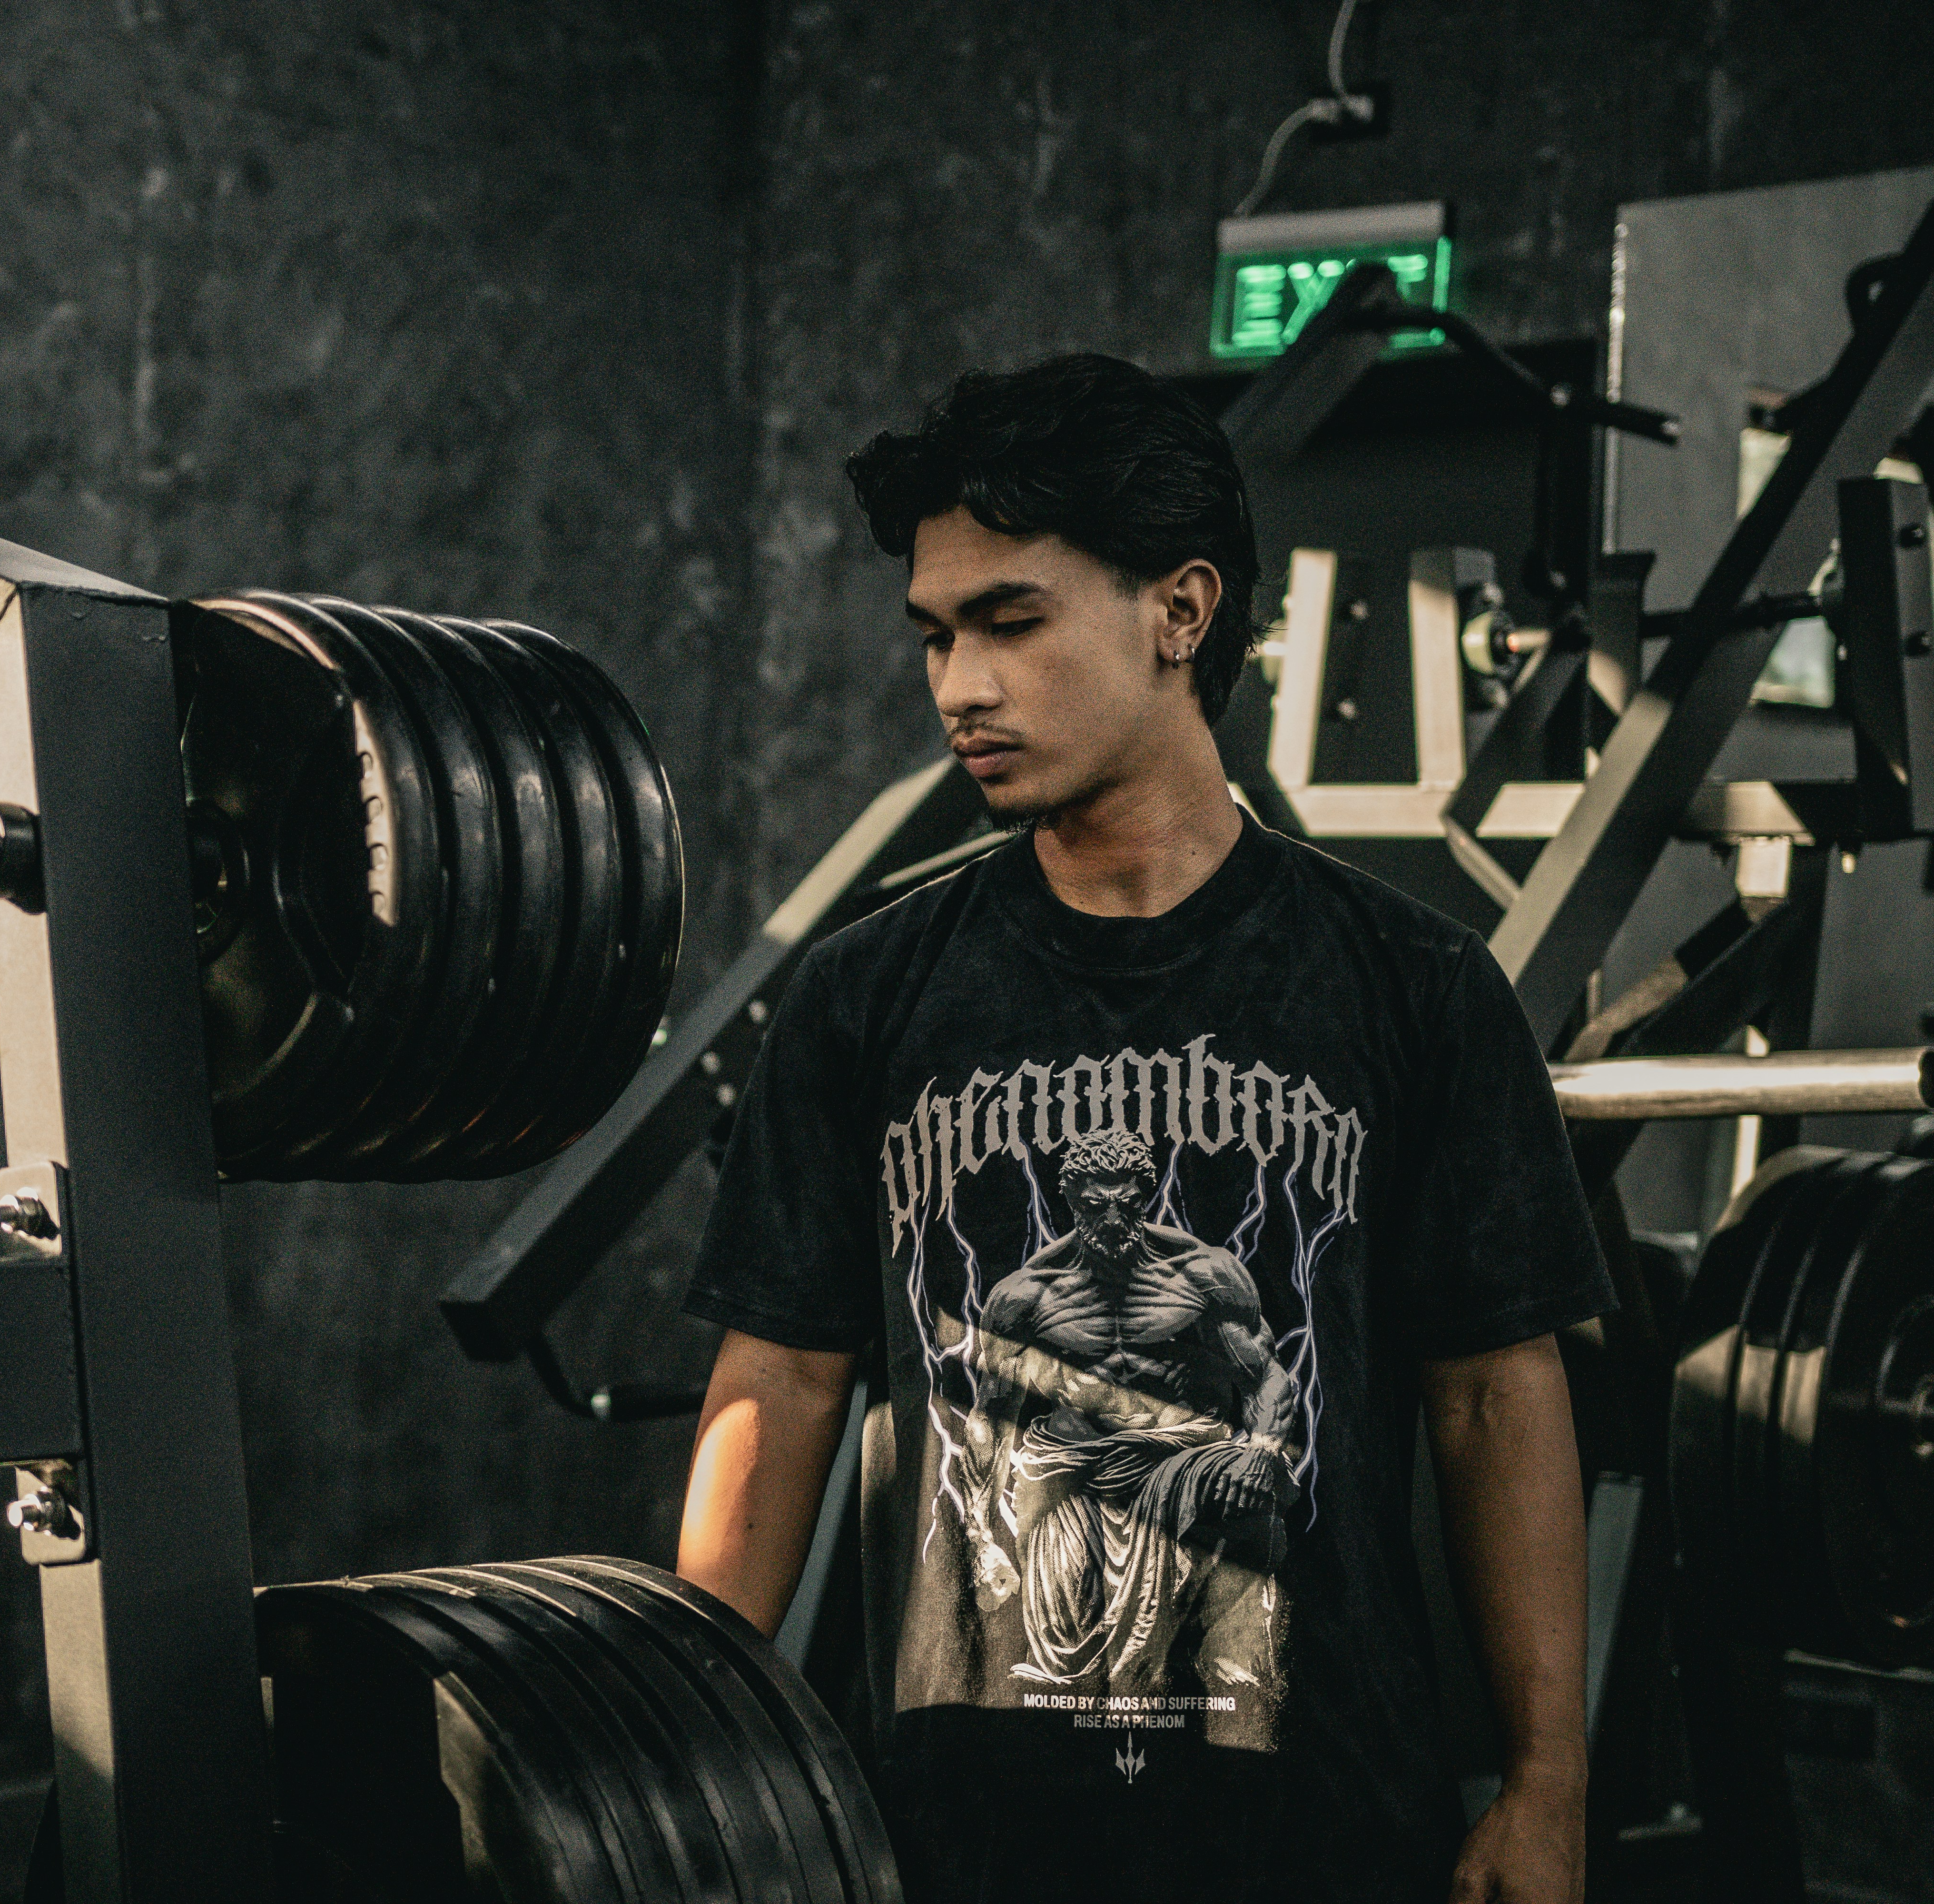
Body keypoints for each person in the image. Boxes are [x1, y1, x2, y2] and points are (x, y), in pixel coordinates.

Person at [676, 353, 1611, 1904]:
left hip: (1317, 1835)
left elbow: (1495, 1402)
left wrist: (1547, 1785)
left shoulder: (1417, 992)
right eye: (935, 635)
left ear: (1181, 611)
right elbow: (776, 1384)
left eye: (1011, 621)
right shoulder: (864, 1001)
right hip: (944, 1845)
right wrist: (683, 1757)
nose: (959, 685)